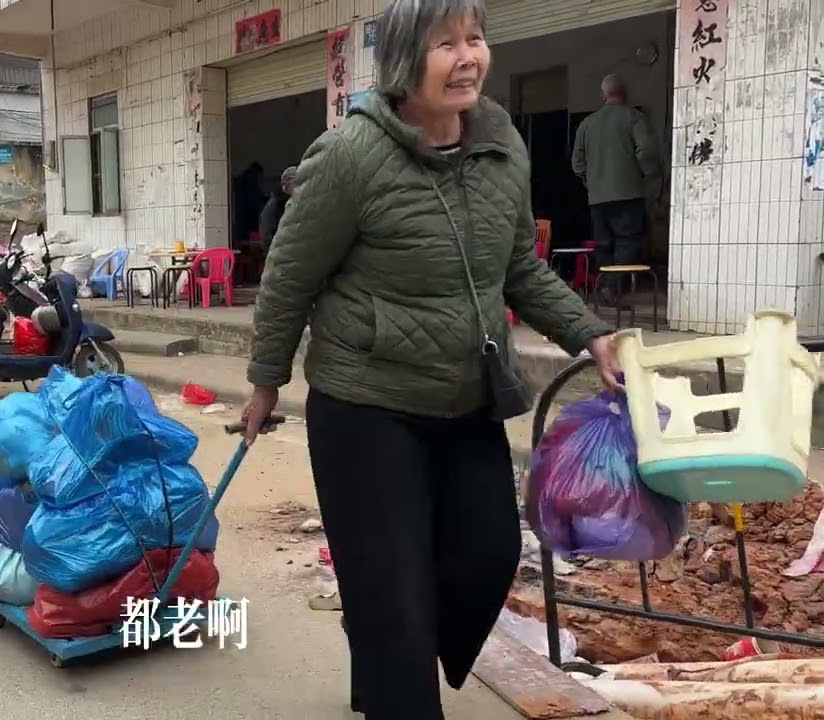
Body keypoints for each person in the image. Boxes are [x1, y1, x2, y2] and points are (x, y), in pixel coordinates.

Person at [240, 2, 620, 718]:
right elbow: (289, 277)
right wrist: (267, 381)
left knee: (486, 557)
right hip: (364, 407)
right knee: (396, 597)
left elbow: (521, 269)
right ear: (404, 61)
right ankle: (392, 653)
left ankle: (385, 636)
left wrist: (591, 334)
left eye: (475, 39)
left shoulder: (501, 141)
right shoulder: (351, 156)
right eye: (446, 44)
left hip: (466, 395)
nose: (468, 56)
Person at [571, 73, 660, 308]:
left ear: (603, 95)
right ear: (625, 93)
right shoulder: (634, 118)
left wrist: (592, 183)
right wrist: (648, 177)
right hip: (628, 193)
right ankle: (610, 287)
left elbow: (577, 164)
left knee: (603, 243)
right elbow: (647, 153)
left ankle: (605, 287)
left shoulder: (587, 124)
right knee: (627, 242)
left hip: (597, 198)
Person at [258, 165, 298, 246]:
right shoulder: (274, 205)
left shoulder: (297, 202)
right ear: (285, 187)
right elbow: (266, 235)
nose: (298, 188)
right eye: (295, 185)